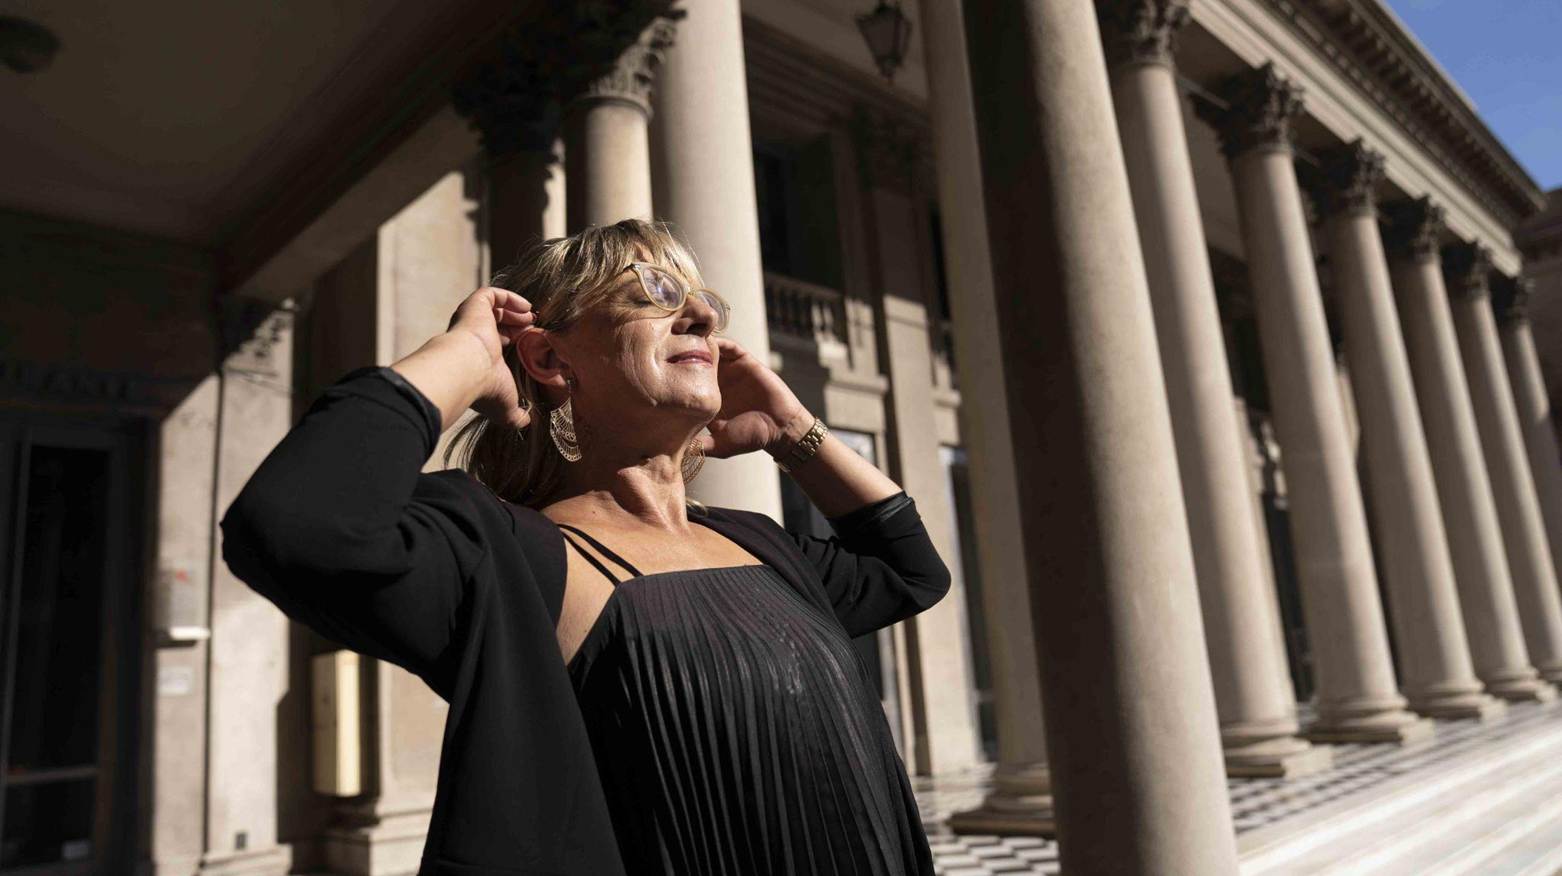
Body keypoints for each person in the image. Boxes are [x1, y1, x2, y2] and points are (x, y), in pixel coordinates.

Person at [220, 218, 950, 875]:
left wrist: (797, 433)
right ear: (548, 358)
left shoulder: (756, 541)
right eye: (655, 290)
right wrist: (467, 352)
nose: (700, 315)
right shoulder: (511, 555)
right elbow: (296, 525)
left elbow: (911, 571)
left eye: (705, 303)